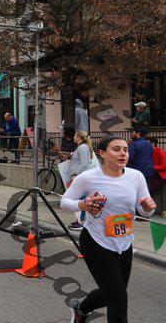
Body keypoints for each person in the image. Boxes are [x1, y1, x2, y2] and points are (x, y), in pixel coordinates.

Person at [61, 136, 156, 323]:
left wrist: (148, 207)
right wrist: (82, 205)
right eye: (117, 149)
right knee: (118, 297)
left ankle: (81, 309)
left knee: (112, 293)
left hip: (124, 242)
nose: (123, 154)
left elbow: (146, 211)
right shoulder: (88, 177)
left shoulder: (136, 177)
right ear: (102, 153)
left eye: (126, 150)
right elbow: (64, 202)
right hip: (96, 241)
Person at [68, 131, 96, 230]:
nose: (73, 137)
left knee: (79, 199)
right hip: (80, 176)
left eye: (75, 136)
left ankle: (81, 222)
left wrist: (75, 174)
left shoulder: (82, 147)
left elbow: (84, 163)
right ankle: (80, 221)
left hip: (79, 177)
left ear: (79, 137)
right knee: (81, 199)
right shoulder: (82, 147)